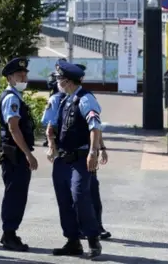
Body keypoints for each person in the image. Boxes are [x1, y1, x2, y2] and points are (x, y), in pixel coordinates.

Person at [42, 64, 111, 240]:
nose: (57, 81)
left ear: (68, 81)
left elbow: (95, 126)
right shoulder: (63, 99)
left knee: (82, 196)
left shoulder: (85, 99)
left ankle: (93, 235)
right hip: (63, 158)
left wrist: (95, 151)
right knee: (65, 201)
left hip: (81, 157)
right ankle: (72, 240)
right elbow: (52, 125)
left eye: (60, 78)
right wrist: (51, 142)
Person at [0, 57, 39, 251]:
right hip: (15, 155)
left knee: (17, 194)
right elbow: (14, 129)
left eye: (25, 74)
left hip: (16, 153)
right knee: (15, 195)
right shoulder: (11, 98)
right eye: (19, 75)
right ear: (9, 78)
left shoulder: (16, 96)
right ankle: (9, 234)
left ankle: (10, 232)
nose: (23, 77)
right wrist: (28, 155)